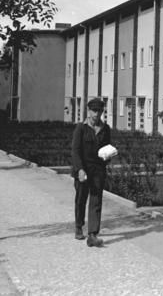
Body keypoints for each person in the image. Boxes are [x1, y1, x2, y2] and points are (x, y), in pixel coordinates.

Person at [71, 97, 112, 247]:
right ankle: (78, 226)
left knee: (96, 200)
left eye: (99, 111)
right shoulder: (80, 128)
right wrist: (79, 169)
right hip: (82, 169)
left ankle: (92, 234)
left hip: (98, 170)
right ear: (88, 111)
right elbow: (75, 151)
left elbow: (107, 148)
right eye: (94, 111)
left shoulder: (105, 129)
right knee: (81, 199)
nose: (97, 114)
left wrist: (108, 156)